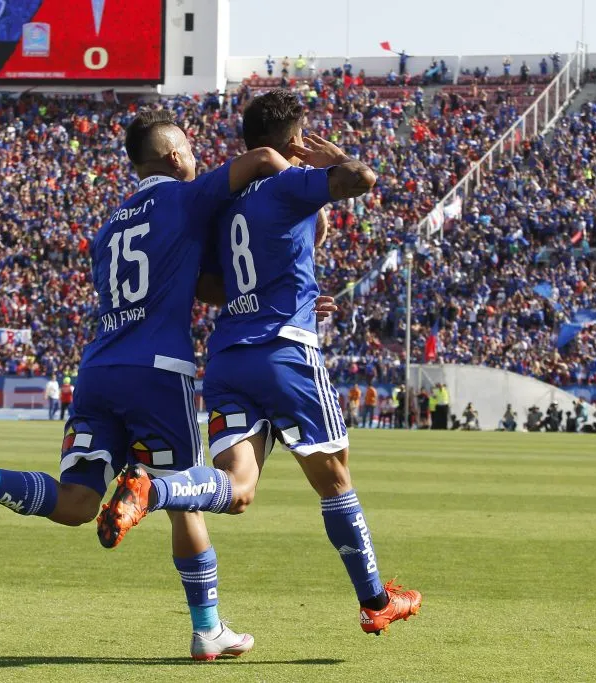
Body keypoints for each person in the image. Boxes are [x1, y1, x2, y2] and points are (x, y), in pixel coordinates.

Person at [0, 109, 295, 660]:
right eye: (191, 151)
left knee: (77, 502)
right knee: (184, 497)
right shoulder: (185, 197)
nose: (196, 159)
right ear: (174, 157)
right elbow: (265, 158)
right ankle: (207, 629)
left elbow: (189, 284)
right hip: (158, 372)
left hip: (98, 370)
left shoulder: (108, 229)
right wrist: (299, 172)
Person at [96, 90, 421, 636]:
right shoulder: (290, 183)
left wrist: (278, 286)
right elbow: (362, 180)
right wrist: (333, 160)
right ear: (295, 140)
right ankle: (374, 599)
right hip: (286, 349)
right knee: (334, 478)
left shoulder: (222, 209)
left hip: (227, 358)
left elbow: (204, 284)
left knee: (237, 486)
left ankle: (156, 489)